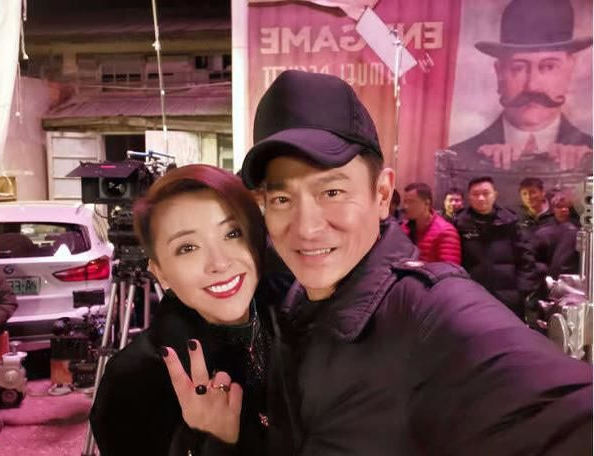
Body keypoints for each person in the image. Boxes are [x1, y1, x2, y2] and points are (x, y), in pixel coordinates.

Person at [238, 69, 591, 455]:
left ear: (381, 193)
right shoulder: (293, 308)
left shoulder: (432, 312)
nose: (306, 228)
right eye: (282, 199)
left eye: (332, 192)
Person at [89, 165, 292, 456]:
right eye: (187, 248)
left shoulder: (296, 318)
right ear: (160, 273)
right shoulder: (135, 379)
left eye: (232, 233)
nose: (219, 263)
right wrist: (215, 442)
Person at [449, 0, 592, 172]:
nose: (532, 86)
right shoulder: (459, 159)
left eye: (549, 67)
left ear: (570, 69)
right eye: (518, 68)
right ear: (499, 73)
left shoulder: (591, 157)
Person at [454, 176, 538, 319]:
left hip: (508, 299)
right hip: (472, 298)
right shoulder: (459, 224)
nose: (481, 198)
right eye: (476, 194)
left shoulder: (510, 221)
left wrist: (522, 291)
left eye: (486, 193)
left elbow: (526, 259)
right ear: (469, 197)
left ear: (495, 195)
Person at [401, 182, 461, 264]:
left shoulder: (445, 231)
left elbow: (449, 269)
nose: (406, 206)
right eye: (405, 202)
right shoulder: (404, 227)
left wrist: (420, 266)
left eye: (411, 202)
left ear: (427, 203)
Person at [531, 190, 580, 280]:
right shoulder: (543, 232)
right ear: (553, 209)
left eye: (567, 207)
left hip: (574, 279)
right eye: (559, 207)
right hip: (549, 279)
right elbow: (533, 258)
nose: (564, 209)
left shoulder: (579, 231)